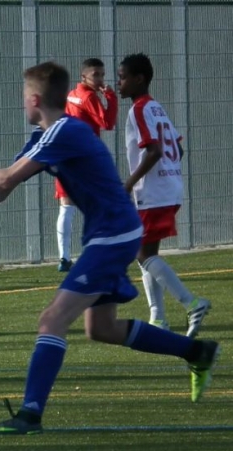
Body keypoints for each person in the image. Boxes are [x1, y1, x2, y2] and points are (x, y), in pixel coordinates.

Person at [0, 61, 219, 435]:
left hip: (113, 234)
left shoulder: (65, 130)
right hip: (113, 232)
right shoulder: (45, 135)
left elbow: (3, 178)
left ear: (34, 100)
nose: (23, 103)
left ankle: (29, 415)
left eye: (24, 97)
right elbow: (5, 186)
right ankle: (197, 352)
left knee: (52, 319)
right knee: (102, 328)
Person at [117, 53, 211, 337]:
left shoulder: (138, 109)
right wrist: (167, 174)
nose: (119, 83)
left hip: (153, 192)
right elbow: (177, 149)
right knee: (148, 253)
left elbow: (154, 151)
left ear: (139, 79)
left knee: (141, 252)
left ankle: (192, 303)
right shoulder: (156, 107)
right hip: (169, 187)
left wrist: (129, 183)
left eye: (123, 77)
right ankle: (157, 318)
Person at [56, 58, 118, 271]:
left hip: (65, 154)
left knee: (66, 205)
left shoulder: (71, 94)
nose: (100, 79)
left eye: (102, 74)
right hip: (85, 157)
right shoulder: (89, 96)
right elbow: (107, 123)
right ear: (83, 76)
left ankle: (64, 257)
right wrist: (111, 97)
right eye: (95, 75)